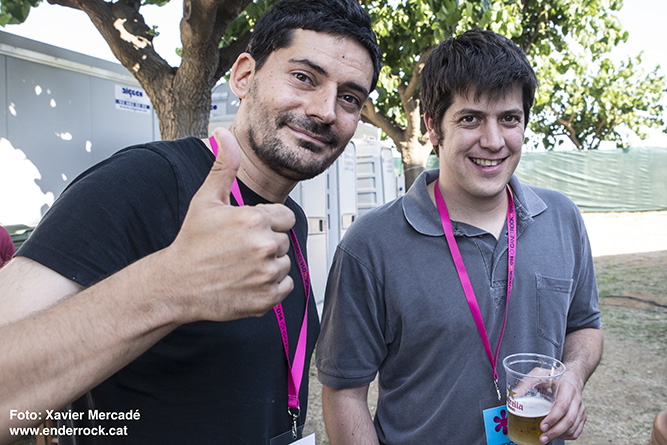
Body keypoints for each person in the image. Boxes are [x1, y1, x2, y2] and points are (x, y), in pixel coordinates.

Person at [0, 0, 381, 443]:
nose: (325, 110)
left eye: (349, 98)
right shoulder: (142, 181)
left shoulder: (288, 220)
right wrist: (169, 287)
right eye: (303, 77)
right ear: (244, 76)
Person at [316, 28, 603, 445]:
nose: (493, 141)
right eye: (471, 119)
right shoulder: (370, 245)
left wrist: (572, 375)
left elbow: (585, 325)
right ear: (433, 127)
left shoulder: (562, 218)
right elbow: (344, 392)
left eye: (509, 119)